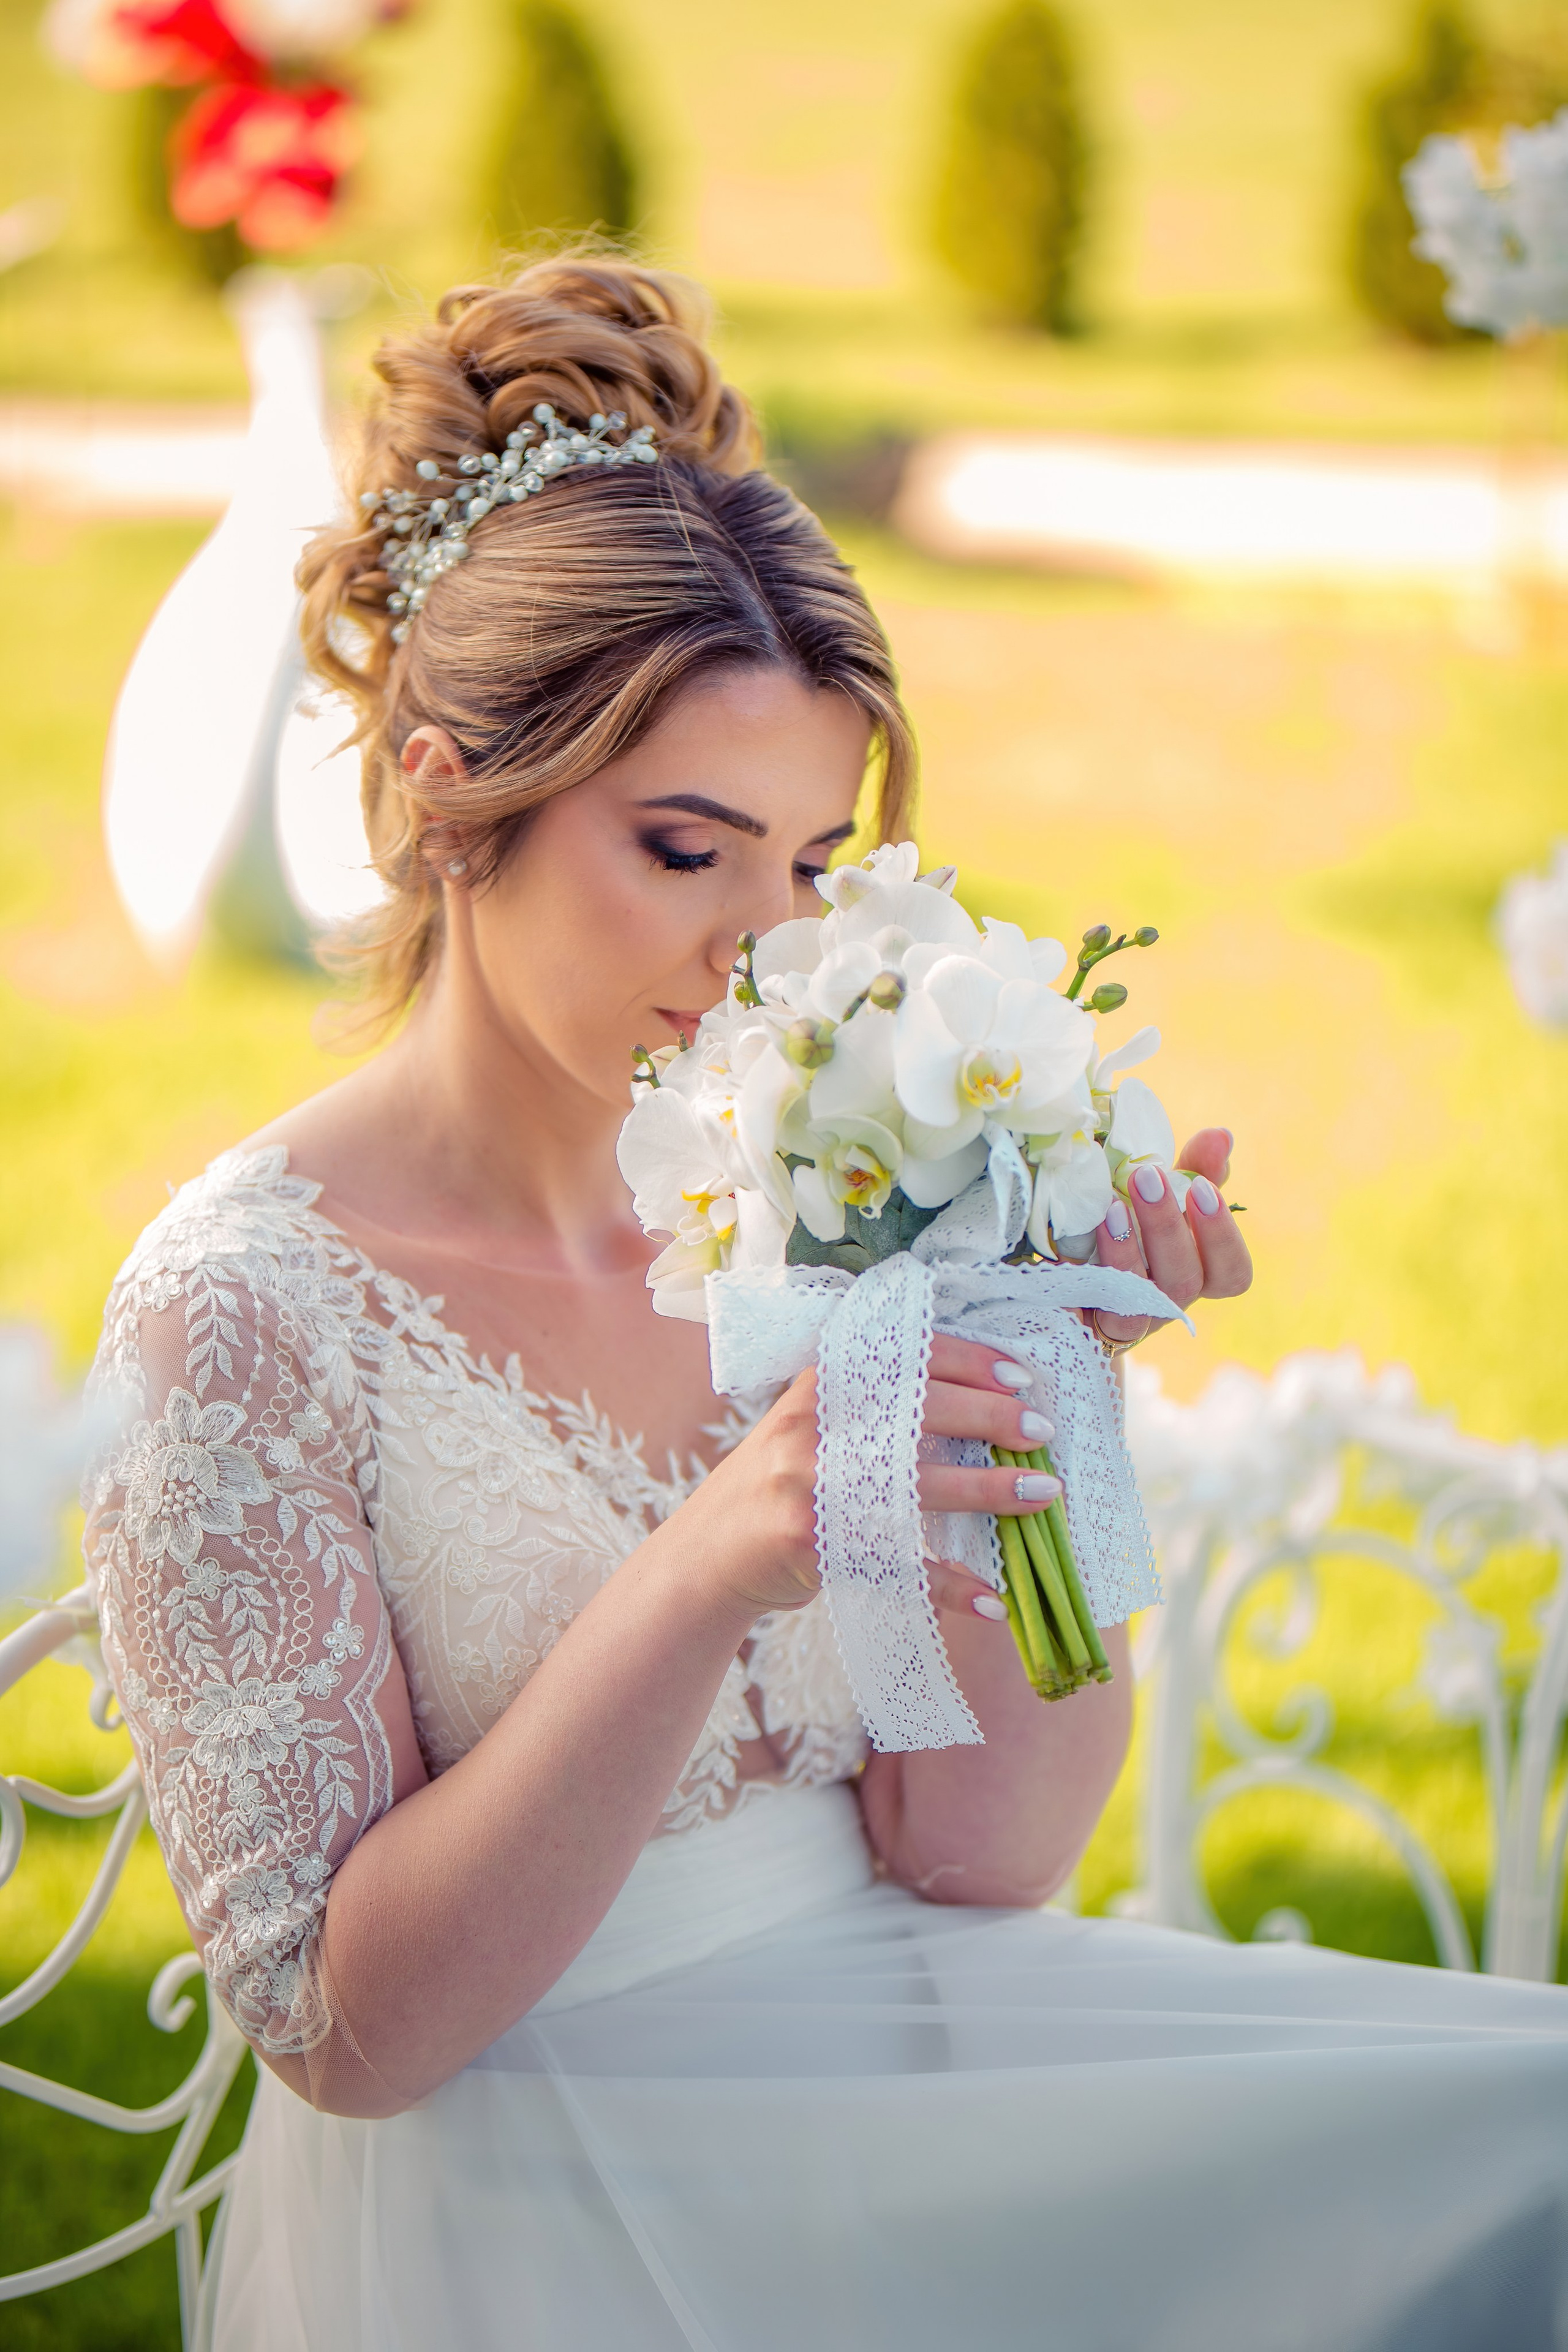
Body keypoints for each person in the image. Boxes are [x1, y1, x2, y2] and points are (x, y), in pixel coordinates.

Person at [86, 258, 1568, 2352]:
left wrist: (1037, 1393)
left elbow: (982, 1849)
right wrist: (710, 1564)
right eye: (681, 850)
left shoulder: (818, 1197)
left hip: (903, 2058)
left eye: (805, 863)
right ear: (440, 789)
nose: (761, 953)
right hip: (538, 2166)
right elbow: (344, 2030)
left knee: (1531, 2140)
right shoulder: (252, 1308)